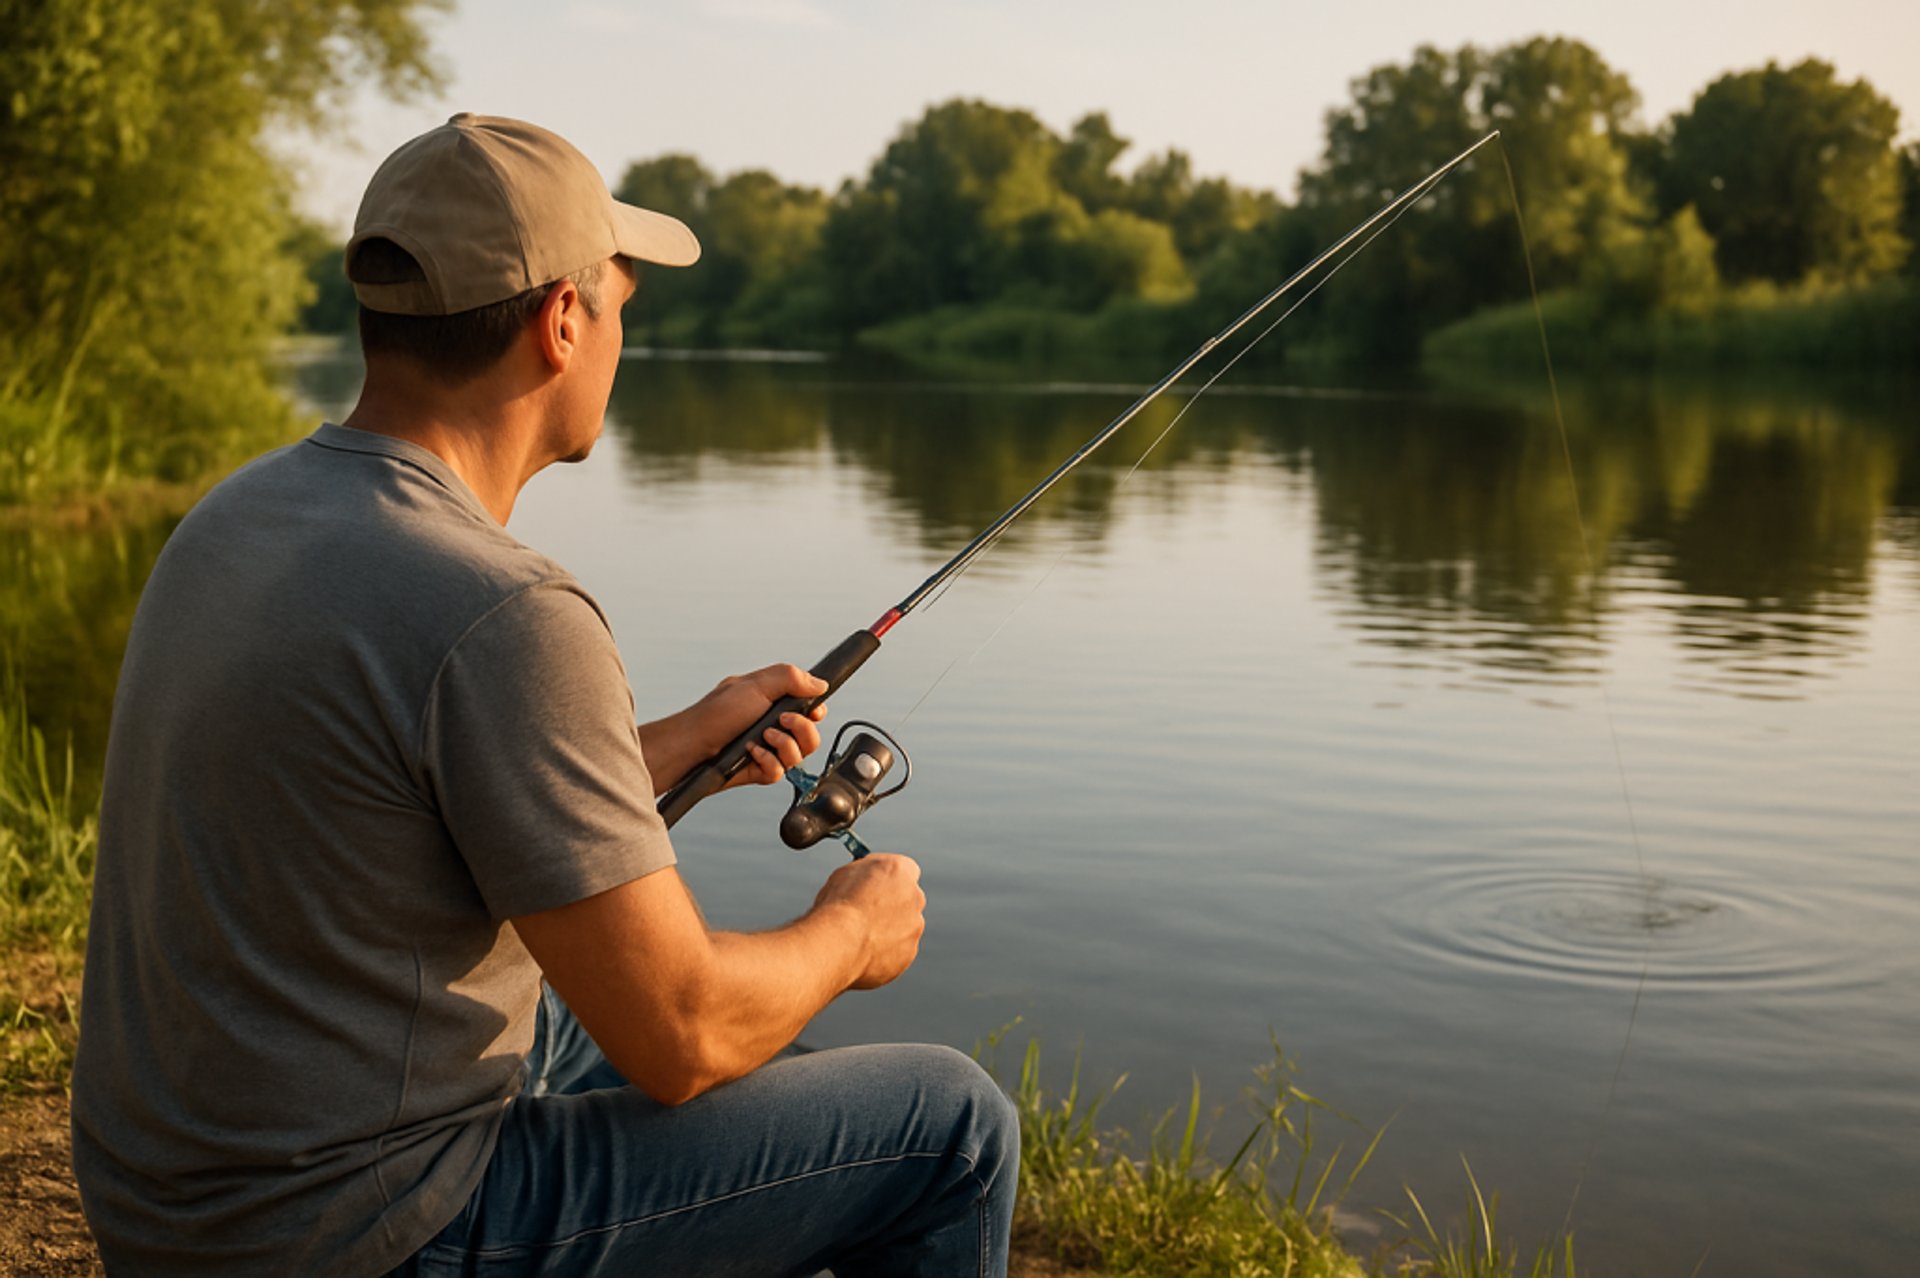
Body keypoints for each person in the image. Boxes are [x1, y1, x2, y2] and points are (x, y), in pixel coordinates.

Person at [70, 113, 1018, 1276]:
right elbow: (684, 1033)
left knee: (582, 1021)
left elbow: (406, 781)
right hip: (359, 1235)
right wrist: (850, 931)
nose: (622, 336)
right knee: (950, 1127)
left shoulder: (239, 516)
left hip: (172, 1206)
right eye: (618, 303)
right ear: (561, 323)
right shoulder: (506, 611)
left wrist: (672, 743)